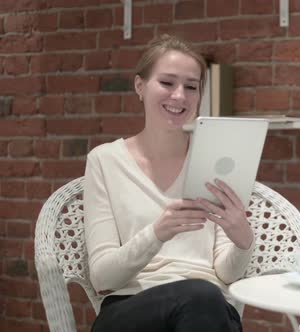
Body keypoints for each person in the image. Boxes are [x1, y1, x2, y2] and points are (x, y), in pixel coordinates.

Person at [83, 34, 255, 332]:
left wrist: (242, 242)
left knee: (207, 299)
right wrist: (156, 234)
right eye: (167, 83)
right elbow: (102, 278)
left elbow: (226, 275)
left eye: (191, 87)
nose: (179, 96)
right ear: (140, 86)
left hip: (208, 308)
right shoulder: (105, 160)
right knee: (201, 296)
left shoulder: (214, 160)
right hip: (130, 310)